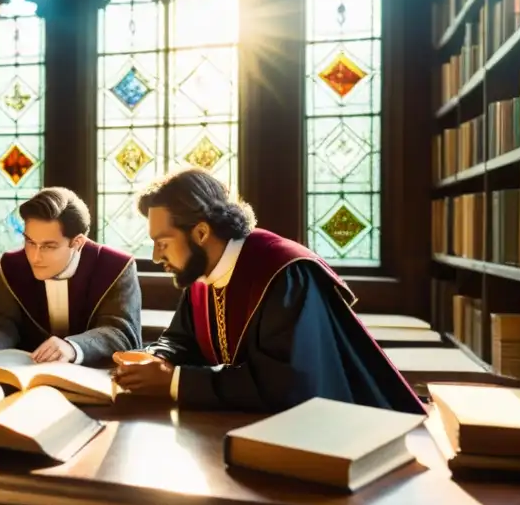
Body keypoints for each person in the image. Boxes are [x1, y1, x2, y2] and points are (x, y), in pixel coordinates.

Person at [113, 168, 425, 415]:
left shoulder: (286, 273)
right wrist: (155, 359)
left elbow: (285, 384)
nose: (155, 256)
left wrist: (173, 380)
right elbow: (181, 339)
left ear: (201, 233)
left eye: (163, 243)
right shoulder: (202, 275)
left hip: (323, 434)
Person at [0, 187, 141, 366]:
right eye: (30, 242)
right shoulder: (13, 265)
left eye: (48, 246)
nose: (34, 257)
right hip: (26, 376)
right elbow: (2, 322)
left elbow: (121, 333)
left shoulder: (116, 266)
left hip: (94, 377)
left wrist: (72, 347)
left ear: (77, 242)